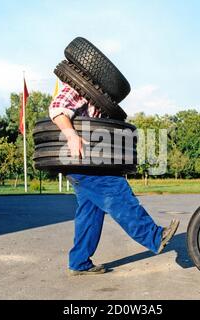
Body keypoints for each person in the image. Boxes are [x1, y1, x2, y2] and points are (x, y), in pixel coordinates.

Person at [49, 83, 180, 276]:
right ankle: (154, 236)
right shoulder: (79, 88)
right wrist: (71, 135)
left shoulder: (100, 101)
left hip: (87, 163)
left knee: (90, 212)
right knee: (116, 191)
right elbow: (57, 109)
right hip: (81, 162)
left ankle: (79, 262)